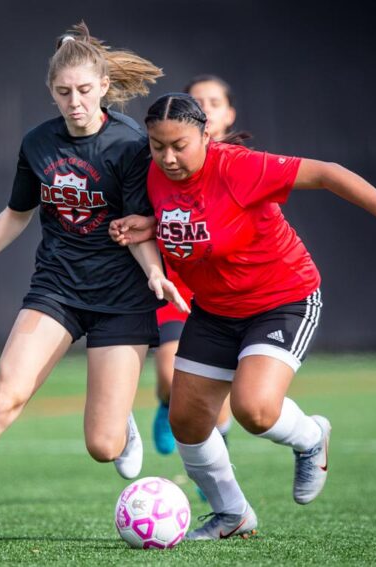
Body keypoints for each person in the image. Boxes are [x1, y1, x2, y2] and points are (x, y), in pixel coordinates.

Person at [0, 24, 188, 546]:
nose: (75, 102)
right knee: (5, 396)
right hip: (57, 287)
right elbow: (17, 213)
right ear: (51, 92)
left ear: (104, 86)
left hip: (120, 298)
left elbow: (137, 225)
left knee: (104, 446)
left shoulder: (131, 144)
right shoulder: (38, 143)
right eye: (64, 92)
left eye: (85, 90)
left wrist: (155, 270)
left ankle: (121, 419)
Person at [110, 93, 376, 541]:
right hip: (215, 310)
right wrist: (151, 225)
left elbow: (328, 174)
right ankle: (231, 514)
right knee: (187, 421)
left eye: (179, 145)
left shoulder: (239, 166)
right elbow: (197, 220)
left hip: (283, 297)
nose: (168, 157)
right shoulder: (152, 172)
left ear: (205, 135)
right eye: (158, 146)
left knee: (254, 409)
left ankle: (312, 437)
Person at [152, 75, 241, 456]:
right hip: (178, 283)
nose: (205, 108)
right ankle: (167, 403)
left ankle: (216, 473)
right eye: (197, 101)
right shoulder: (163, 164)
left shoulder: (244, 167)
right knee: (170, 378)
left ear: (229, 114)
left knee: (214, 391)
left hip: (226, 288)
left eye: (214, 101)